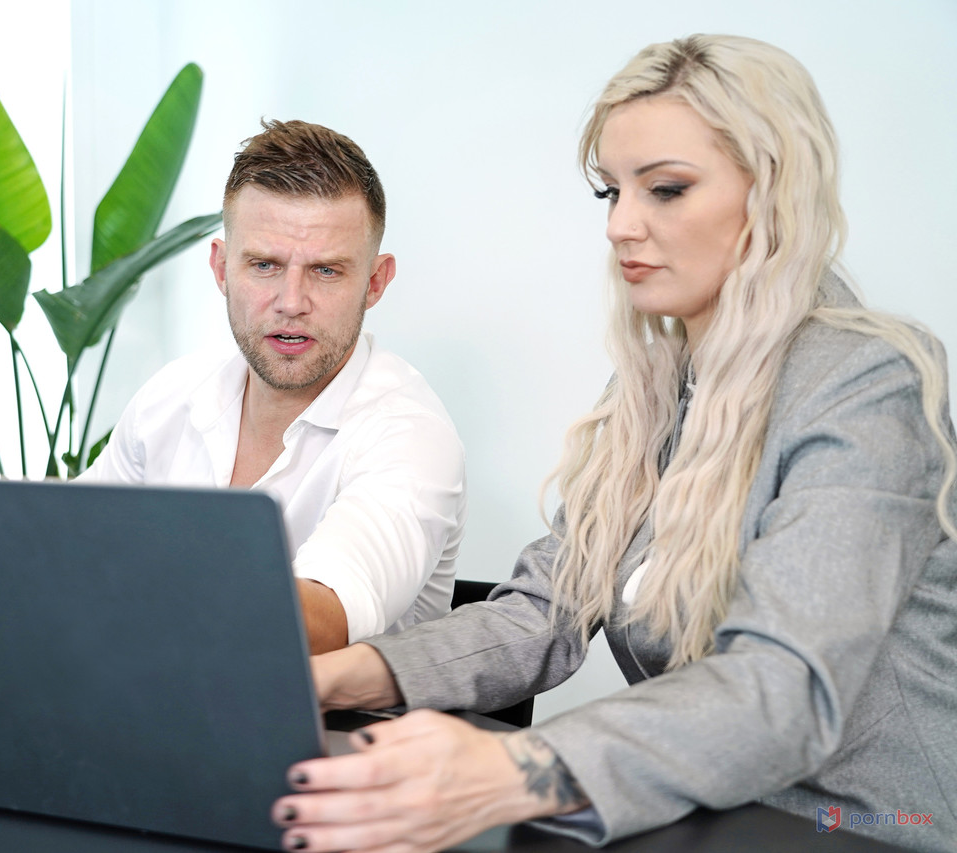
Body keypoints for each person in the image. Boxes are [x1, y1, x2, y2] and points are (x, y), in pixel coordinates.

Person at [270, 35, 957, 853]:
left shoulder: (866, 382)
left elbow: (783, 687)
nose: (622, 225)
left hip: (861, 824)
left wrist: (514, 768)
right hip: (708, 807)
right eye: (611, 191)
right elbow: (543, 613)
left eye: (666, 189)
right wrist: (336, 675)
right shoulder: (651, 393)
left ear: (776, 191)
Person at [80, 120, 466, 655]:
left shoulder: (410, 435)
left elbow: (324, 621)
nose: (291, 302)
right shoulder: (170, 396)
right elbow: (68, 548)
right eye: (264, 265)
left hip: (319, 712)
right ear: (221, 269)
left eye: (326, 271)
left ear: (375, 282)